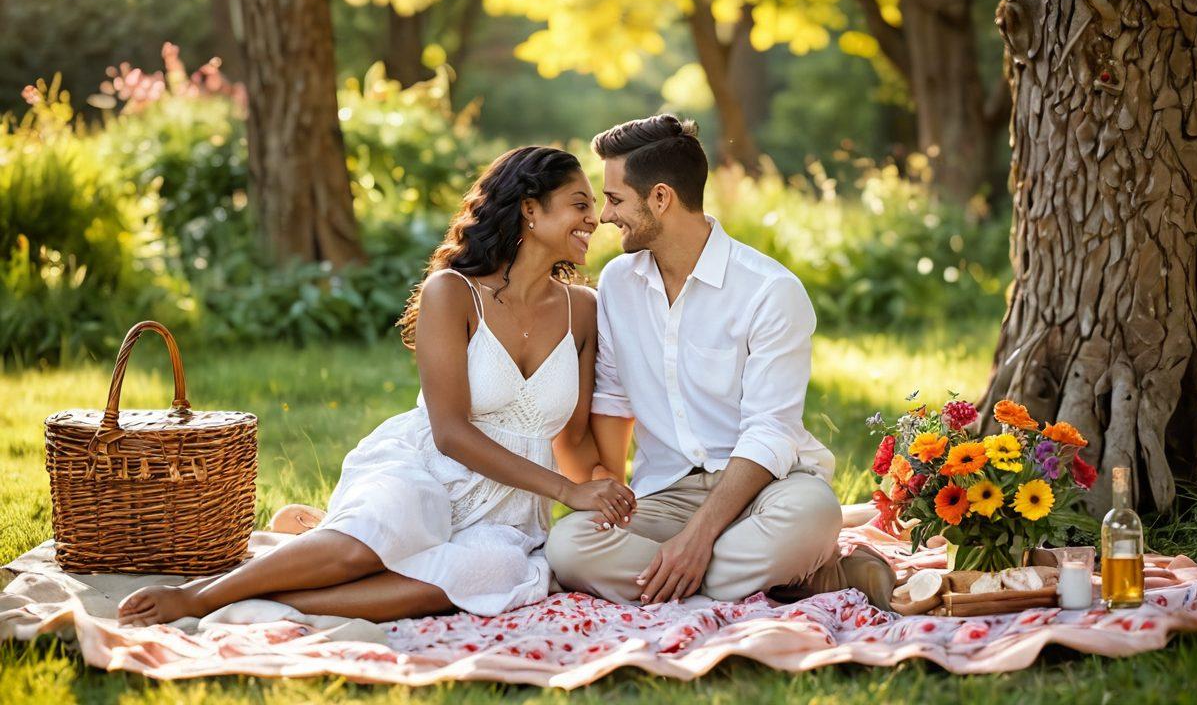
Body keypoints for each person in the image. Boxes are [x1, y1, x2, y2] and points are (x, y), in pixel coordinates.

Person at [117, 146, 634, 626]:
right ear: (529, 209)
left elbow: (570, 438)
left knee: (490, 575)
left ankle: (273, 595)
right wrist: (568, 490)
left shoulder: (582, 310)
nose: (595, 218)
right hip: (429, 470)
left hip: (511, 509)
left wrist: (602, 486)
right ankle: (203, 596)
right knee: (366, 546)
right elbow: (450, 433)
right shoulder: (451, 293)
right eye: (579, 204)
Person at [545, 115, 895, 609]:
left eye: (615, 199)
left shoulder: (769, 291)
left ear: (661, 198)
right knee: (570, 545)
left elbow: (770, 432)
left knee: (814, 514)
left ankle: (684, 576)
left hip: (762, 489)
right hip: (665, 495)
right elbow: (613, 398)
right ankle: (802, 578)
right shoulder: (618, 284)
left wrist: (699, 539)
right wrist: (614, 493)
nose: (605, 216)